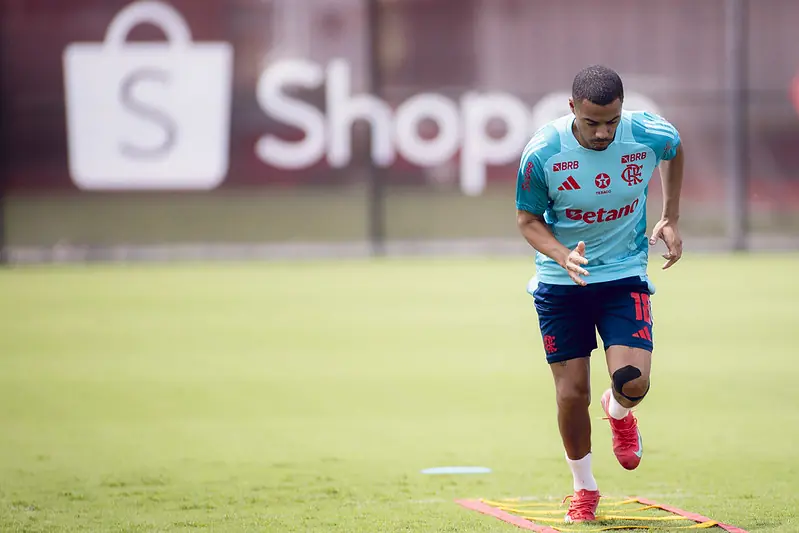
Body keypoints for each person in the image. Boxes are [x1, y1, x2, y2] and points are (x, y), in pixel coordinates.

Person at [515, 65, 684, 523]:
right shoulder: (543, 153)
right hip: (561, 282)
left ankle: (619, 410)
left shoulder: (648, 132)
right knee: (572, 394)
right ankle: (584, 488)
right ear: (573, 110)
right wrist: (562, 254)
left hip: (624, 274)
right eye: (593, 122)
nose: (604, 131)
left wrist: (669, 215)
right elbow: (528, 221)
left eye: (612, 120)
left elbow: (674, 150)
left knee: (633, 382)